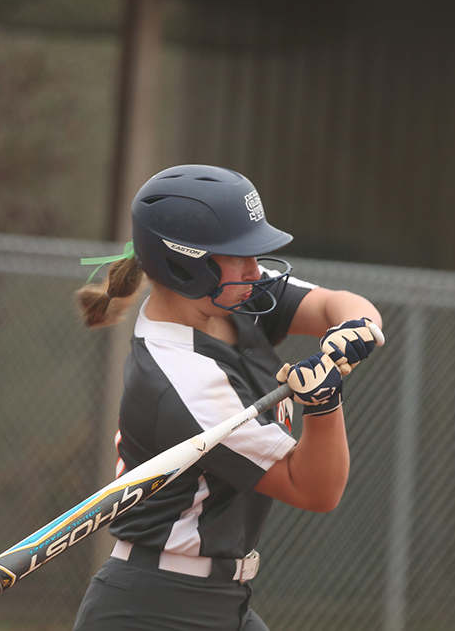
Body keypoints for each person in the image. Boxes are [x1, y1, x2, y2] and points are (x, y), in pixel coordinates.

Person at [71, 164, 383, 631]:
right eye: (239, 256)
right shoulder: (183, 377)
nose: (256, 270)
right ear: (186, 264)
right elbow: (316, 488)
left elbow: (333, 304)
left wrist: (354, 328)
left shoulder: (232, 303)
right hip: (155, 611)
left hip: (220, 602)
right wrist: (323, 406)